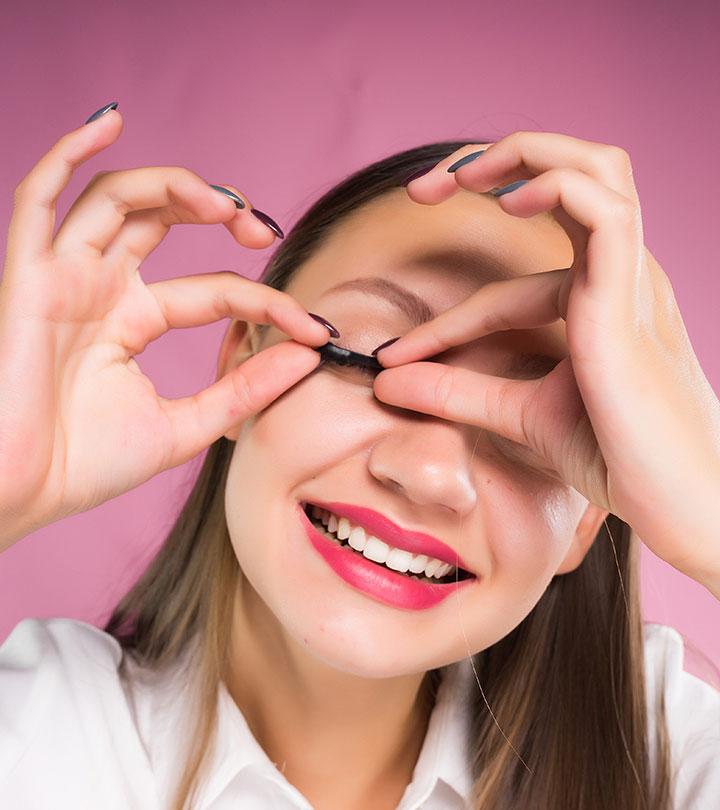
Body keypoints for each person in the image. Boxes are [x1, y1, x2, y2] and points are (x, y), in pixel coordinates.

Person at [0, 102, 718, 810]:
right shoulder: (38, 730)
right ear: (238, 363)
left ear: (592, 517)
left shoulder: (668, 755)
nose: (429, 472)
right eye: (363, 357)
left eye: (527, 422)